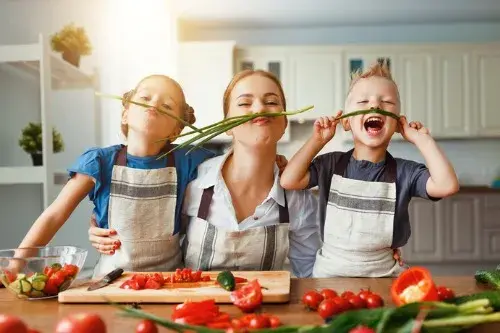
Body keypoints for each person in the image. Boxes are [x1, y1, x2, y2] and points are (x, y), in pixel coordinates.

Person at [17, 74, 215, 278]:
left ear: (176, 131)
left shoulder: (190, 160)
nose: (154, 104)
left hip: (169, 282)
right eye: (145, 98)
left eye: (167, 105)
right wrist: (15, 265)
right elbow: (53, 216)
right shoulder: (99, 162)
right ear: (125, 115)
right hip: (110, 281)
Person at [280, 61, 459, 278]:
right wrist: (317, 141)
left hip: (384, 276)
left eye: (387, 101)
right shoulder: (330, 164)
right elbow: (289, 180)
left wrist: (423, 141)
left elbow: (447, 185)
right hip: (329, 275)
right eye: (363, 101)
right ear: (346, 122)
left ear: (397, 126)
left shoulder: (405, 172)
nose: (375, 105)